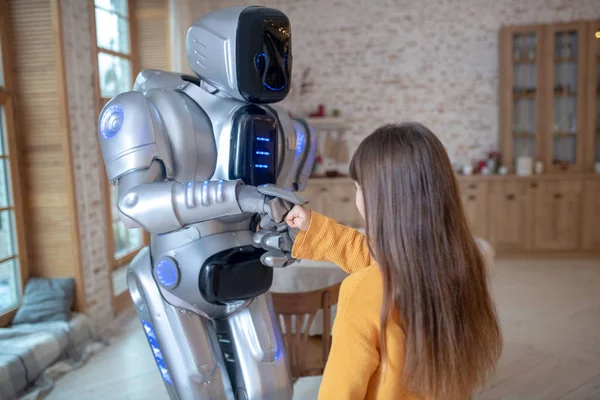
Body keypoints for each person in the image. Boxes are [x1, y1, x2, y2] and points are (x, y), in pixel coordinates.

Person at [285, 122, 502, 400]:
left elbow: (339, 393)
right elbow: (374, 260)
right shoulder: (460, 265)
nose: (357, 197)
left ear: (381, 198)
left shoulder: (362, 292)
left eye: (358, 187)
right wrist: (313, 227)